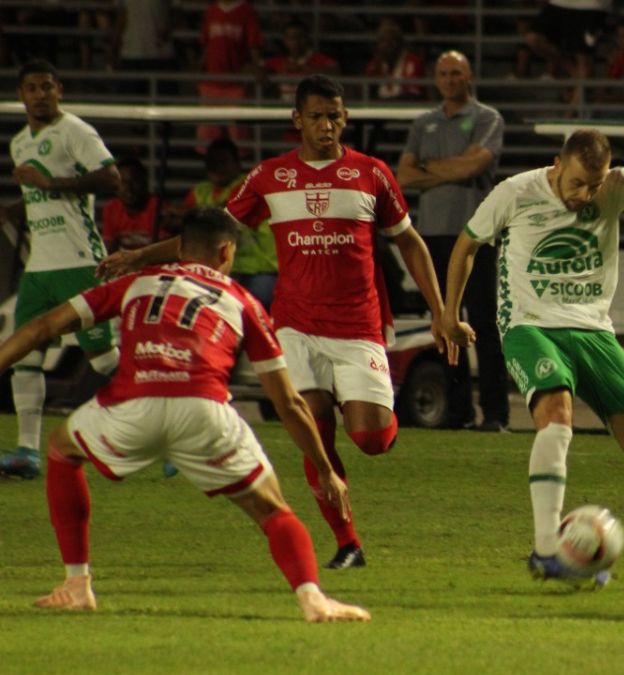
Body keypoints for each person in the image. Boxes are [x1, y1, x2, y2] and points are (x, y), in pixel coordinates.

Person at [99, 75, 453, 571]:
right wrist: (138, 258)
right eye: (316, 116)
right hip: (295, 325)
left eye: (334, 115)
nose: (326, 125)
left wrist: (441, 312)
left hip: (358, 324)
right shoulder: (270, 177)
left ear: (344, 118)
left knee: (370, 439)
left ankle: (383, 425)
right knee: (312, 427)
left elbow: (409, 241)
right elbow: (209, 236)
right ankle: (348, 543)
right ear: (297, 121)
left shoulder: (372, 174)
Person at [1, 207, 368, 622]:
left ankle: (77, 584)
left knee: (62, 450)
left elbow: (41, 328)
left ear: (180, 249)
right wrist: (324, 468)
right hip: (204, 410)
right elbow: (289, 402)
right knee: (273, 510)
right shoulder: (242, 300)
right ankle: (312, 599)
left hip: (131, 405)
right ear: (226, 251)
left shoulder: (136, 283)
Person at [441, 129, 624, 592]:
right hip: (530, 325)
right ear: (557, 164)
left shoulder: (617, 186)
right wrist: (449, 315)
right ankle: (546, 549)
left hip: (594, 330)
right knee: (556, 414)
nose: (586, 195)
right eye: (579, 183)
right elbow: (465, 247)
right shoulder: (515, 192)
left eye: (596, 185)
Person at [1, 60, 121, 480]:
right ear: (21, 95)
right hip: (39, 268)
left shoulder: (76, 131)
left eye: (47, 86)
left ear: (60, 90)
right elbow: (38, 203)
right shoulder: (20, 143)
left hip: (79, 261)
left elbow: (111, 179)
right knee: (24, 356)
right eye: (32, 87)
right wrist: (9, 212)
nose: (40, 94)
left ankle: (166, 431)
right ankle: (26, 451)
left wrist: (52, 184)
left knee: (104, 359)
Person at [396, 51, 509, 432]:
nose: (449, 79)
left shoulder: (487, 117)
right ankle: (457, 412)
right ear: (435, 78)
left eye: (456, 72)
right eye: (443, 72)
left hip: (475, 234)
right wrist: (451, 168)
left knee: (484, 322)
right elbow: (404, 176)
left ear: (469, 76)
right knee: (444, 324)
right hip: (431, 236)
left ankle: (495, 415)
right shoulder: (423, 122)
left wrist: (428, 169)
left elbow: (475, 165)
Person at [183, 138, 278, 310]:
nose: (217, 167)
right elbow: (185, 217)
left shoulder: (245, 184)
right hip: (222, 267)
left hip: (259, 270)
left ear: (237, 163)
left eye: (223, 162)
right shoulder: (200, 190)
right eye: (212, 162)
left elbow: (223, 214)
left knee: (248, 304)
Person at [197, 0, 263, 144]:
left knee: (238, 137)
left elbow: (254, 45)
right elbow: (207, 44)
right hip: (211, 84)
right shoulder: (211, 10)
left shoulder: (247, 12)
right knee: (208, 137)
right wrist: (199, 70)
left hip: (236, 85)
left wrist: (257, 69)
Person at [262, 20, 340, 113]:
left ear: (307, 38)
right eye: (290, 38)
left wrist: (303, 68)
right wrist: (262, 71)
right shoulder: (279, 61)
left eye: (299, 37)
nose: (295, 42)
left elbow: (336, 71)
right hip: (285, 114)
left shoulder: (317, 59)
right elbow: (254, 68)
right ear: (285, 40)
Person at [101, 157, 160, 252]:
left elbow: (160, 250)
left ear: (144, 183)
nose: (129, 188)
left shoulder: (157, 207)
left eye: (135, 181)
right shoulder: (111, 209)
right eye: (123, 182)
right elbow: (109, 249)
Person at [363, 18, 425, 102]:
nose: (385, 47)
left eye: (390, 41)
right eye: (382, 41)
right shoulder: (377, 63)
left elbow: (412, 96)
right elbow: (366, 93)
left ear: (398, 44)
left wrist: (383, 103)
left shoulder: (412, 62)